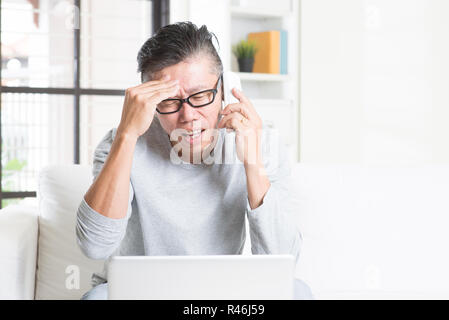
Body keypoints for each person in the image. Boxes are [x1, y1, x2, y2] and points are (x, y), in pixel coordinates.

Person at [76, 21, 313, 300]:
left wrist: (252, 164)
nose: (188, 116)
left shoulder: (261, 143)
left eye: (200, 96)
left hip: (222, 296)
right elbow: (94, 246)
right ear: (149, 102)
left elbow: (282, 263)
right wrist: (127, 136)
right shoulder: (119, 143)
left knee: (298, 293)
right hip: (140, 294)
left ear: (223, 89)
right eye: (168, 101)